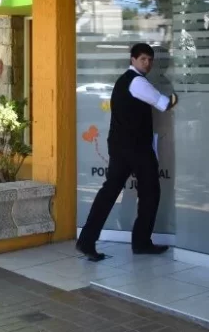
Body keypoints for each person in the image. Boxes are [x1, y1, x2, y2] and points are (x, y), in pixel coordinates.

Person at [77, 43, 178, 261]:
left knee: (109, 192)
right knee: (150, 193)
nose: (147, 63)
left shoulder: (123, 81)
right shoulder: (137, 82)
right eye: (143, 59)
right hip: (137, 148)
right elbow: (164, 103)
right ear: (133, 59)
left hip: (121, 146)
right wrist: (176, 97)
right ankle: (141, 242)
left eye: (150, 60)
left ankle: (86, 240)